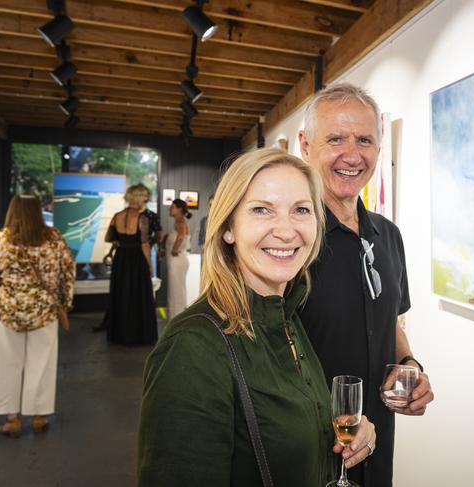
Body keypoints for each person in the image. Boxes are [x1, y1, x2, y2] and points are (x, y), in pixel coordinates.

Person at [138, 148, 376, 486]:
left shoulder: (288, 319)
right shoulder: (192, 348)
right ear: (228, 228)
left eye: (301, 210)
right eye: (262, 210)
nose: (286, 230)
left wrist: (346, 434)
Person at [298, 83, 435, 487]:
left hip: (377, 446)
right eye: (335, 139)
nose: (352, 155)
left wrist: (409, 366)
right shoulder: (291, 240)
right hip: (310, 449)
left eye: (364, 140)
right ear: (306, 145)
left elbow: (389, 318)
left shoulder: (388, 235)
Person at [0, 194, 75, 436]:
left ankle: (12, 419)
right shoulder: (53, 239)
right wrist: (64, 303)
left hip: (9, 311)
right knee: (42, 363)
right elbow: (68, 271)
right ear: (38, 211)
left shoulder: (2, 240)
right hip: (44, 310)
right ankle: (39, 416)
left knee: (7, 364)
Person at [94, 183, 161, 332]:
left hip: (121, 258)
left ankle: (120, 331)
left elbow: (109, 237)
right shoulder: (142, 218)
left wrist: (120, 244)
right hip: (137, 258)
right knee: (139, 295)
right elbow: (144, 244)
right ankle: (137, 332)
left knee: (121, 293)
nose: (146, 199)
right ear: (138, 198)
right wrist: (149, 265)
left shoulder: (117, 216)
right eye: (144, 196)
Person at [164, 199, 191, 320]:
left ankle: (176, 319)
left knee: (175, 291)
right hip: (178, 260)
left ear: (179, 209)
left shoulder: (180, 222)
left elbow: (180, 237)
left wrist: (174, 249)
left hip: (177, 260)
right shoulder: (178, 222)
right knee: (178, 290)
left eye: (172, 207)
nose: (170, 209)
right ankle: (178, 318)